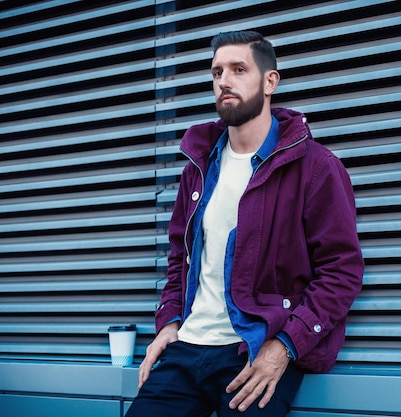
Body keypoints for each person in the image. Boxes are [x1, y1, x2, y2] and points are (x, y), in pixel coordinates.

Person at [125, 30, 364, 417]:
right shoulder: (199, 167)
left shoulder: (315, 167)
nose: (224, 81)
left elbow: (342, 270)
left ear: (270, 81)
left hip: (255, 350)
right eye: (217, 72)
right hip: (187, 347)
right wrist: (169, 322)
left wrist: (286, 345)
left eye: (238, 69)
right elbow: (179, 257)